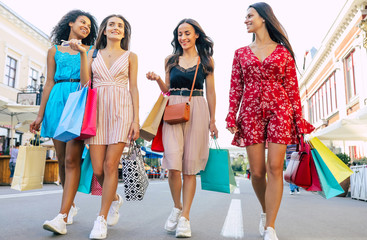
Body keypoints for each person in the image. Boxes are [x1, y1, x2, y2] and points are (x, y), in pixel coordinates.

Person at [225, 3, 315, 240]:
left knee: (275, 168)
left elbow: (292, 89)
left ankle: (271, 226)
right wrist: (231, 114)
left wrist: (298, 120)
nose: (245, 20)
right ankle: (266, 211)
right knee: (257, 171)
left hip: (280, 111)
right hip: (251, 112)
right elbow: (236, 88)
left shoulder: (283, 52)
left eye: (249, 16)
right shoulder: (240, 53)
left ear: (263, 18)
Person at [146, 18, 218, 238]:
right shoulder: (170, 60)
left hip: (197, 107)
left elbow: (211, 92)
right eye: (179, 34)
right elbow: (167, 89)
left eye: (187, 33)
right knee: (173, 164)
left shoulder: (206, 60)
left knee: (189, 167)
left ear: (196, 34)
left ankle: (185, 217)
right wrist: (158, 79)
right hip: (174, 108)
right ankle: (177, 206)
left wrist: (212, 120)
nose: (183, 37)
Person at [29, 10, 98, 235]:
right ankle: (70, 205)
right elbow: (48, 82)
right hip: (56, 101)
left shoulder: (90, 51)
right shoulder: (54, 50)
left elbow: (87, 81)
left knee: (71, 159)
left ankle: (63, 214)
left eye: (89, 25)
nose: (86, 27)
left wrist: (82, 54)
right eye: (82, 22)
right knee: (61, 160)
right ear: (71, 23)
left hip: (77, 100)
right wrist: (40, 114)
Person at [72, 14, 139, 239]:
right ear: (104, 30)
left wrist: (136, 120)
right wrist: (83, 55)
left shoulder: (131, 56)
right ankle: (115, 199)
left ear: (124, 32)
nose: (116, 28)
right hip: (97, 113)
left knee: (111, 165)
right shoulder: (93, 53)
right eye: (112, 24)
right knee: (98, 169)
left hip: (121, 112)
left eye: (120, 25)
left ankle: (100, 219)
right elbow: (84, 82)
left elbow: (134, 89)